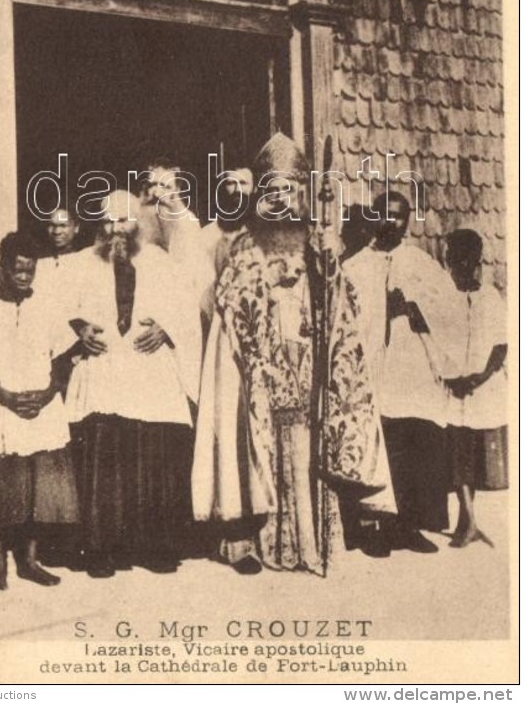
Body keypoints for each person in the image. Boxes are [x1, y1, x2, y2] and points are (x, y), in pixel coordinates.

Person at [192, 133, 339, 575]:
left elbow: (334, 297)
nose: (282, 201)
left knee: (302, 440)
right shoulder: (244, 244)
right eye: (273, 192)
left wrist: (327, 261)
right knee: (244, 442)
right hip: (249, 358)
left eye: (290, 191)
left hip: (303, 354)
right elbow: (229, 297)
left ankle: (304, 539)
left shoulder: (315, 241)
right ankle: (243, 541)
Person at [60, 189, 202, 577]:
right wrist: (79, 329)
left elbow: (186, 306)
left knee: (154, 455)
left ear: (138, 224)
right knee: (106, 458)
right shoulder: (81, 263)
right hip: (104, 365)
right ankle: (104, 549)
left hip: (148, 367)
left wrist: (165, 328)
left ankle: (154, 547)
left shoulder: (160, 261)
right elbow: (61, 307)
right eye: (108, 221)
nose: (116, 229)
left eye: (123, 220)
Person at [0, 232, 79, 601]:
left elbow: (63, 358)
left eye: (30, 270)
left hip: (39, 406)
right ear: (2, 268)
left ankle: (30, 561)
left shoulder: (46, 306)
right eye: (18, 270)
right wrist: (5, 395)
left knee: (36, 488)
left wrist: (46, 394)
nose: (25, 277)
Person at [342, 191, 462, 555]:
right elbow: (347, 321)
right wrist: (379, 310)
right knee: (384, 449)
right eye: (385, 214)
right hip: (376, 373)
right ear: (374, 218)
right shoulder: (355, 267)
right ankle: (378, 528)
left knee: (417, 447)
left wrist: (413, 307)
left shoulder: (420, 263)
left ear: (408, 220)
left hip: (413, 373)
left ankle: (411, 526)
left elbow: (450, 309)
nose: (391, 222)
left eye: (399, 216)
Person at [444, 229, 508, 548]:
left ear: (475, 261)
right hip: (454, 390)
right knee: (458, 456)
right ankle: (466, 520)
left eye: (464, 261)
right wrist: (453, 378)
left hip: (482, 390)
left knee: (476, 458)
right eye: (454, 261)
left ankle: (468, 520)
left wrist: (479, 378)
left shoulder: (490, 299)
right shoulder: (445, 298)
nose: (459, 267)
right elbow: (438, 343)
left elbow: (501, 347)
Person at [199, 165, 254, 329]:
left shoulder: (264, 233)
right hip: (219, 324)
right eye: (231, 183)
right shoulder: (208, 235)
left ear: (254, 188)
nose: (237, 190)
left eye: (243, 183)